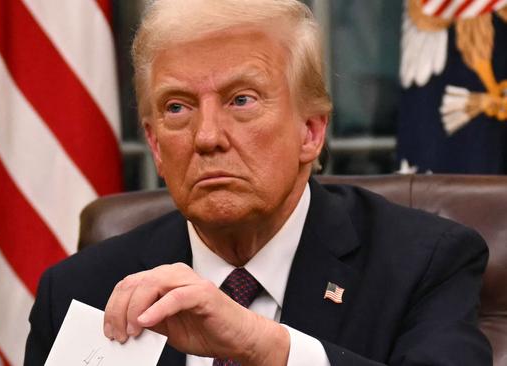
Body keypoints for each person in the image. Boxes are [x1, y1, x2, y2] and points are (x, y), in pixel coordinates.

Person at [24, 0, 492, 365]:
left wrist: (263, 346)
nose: (206, 137)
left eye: (241, 100)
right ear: (154, 145)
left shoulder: (423, 264)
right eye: (176, 108)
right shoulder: (81, 292)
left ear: (311, 130)